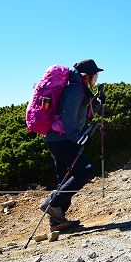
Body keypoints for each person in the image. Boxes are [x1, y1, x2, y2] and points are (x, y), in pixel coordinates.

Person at [39, 59, 104, 231]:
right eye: (95, 75)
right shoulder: (75, 90)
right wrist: (77, 137)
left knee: (65, 178)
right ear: (85, 76)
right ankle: (52, 204)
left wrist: (97, 104)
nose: (96, 78)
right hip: (63, 140)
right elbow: (68, 117)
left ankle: (57, 221)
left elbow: (80, 111)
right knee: (85, 171)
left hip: (58, 139)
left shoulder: (80, 90)